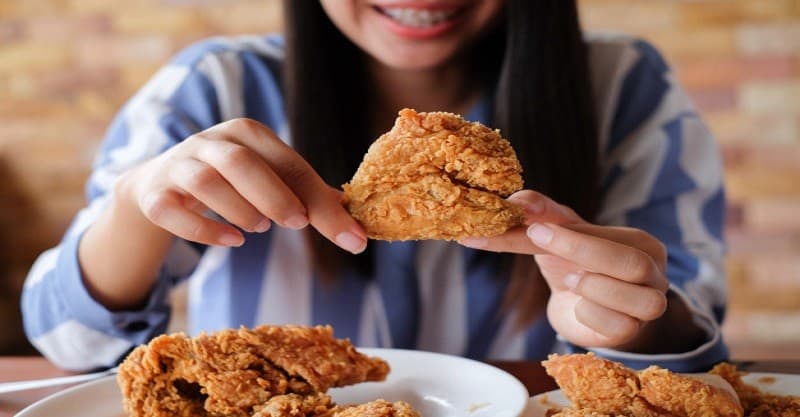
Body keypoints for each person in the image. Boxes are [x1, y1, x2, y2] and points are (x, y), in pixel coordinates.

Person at [22, 0, 728, 372]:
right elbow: (68, 342)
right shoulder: (214, 87)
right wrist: (136, 208)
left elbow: (691, 350)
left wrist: (640, 320)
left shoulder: (623, 88)